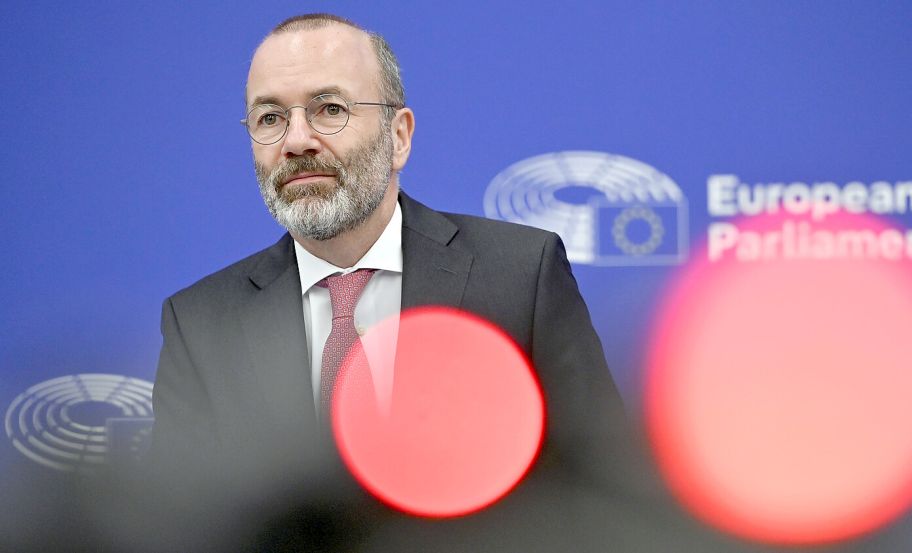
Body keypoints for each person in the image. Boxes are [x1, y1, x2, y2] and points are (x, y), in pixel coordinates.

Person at [149, 13, 649, 551]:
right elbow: (179, 529)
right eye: (270, 117)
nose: (297, 141)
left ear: (399, 136)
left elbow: (604, 494)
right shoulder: (200, 322)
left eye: (330, 110)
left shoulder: (521, 272)